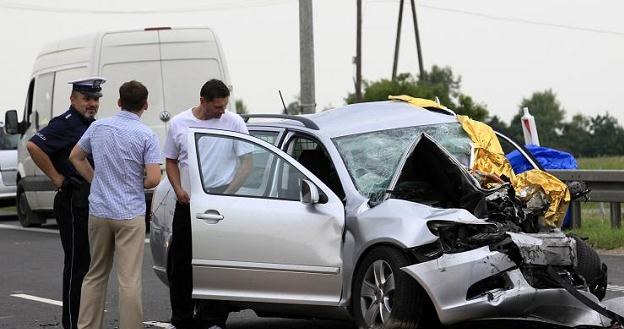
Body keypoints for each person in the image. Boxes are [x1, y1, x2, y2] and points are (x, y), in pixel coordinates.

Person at [69, 80, 162, 329]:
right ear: (145, 105)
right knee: (129, 279)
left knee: (95, 274)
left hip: (99, 210)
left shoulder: (98, 127)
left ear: (119, 102)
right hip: (129, 213)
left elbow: (75, 157)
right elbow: (154, 178)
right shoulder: (146, 135)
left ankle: (87, 326)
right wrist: (135, 182)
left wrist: (95, 179)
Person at [163, 79, 252, 329]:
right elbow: (170, 161)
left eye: (224, 106)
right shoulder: (179, 123)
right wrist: (178, 189)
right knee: (181, 262)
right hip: (188, 202)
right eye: (217, 107)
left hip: (221, 202)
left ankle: (212, 318)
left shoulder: (233, 122)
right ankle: (181, 316)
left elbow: (247, 162)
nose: (221, 111)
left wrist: (228, 192)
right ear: (202, 101)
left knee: (217, 261)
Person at [26, 77, 105, 329]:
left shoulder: (91, 124)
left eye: (95, 99)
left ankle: (86, 320)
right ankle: (72, 323)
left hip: (89, 200)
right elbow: (34, 145)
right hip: (73, 201)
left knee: (91, 264)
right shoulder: (66, 123)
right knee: (77, 263)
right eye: (87, 99)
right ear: (73, 99)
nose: (92, 103)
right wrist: (57, 178)